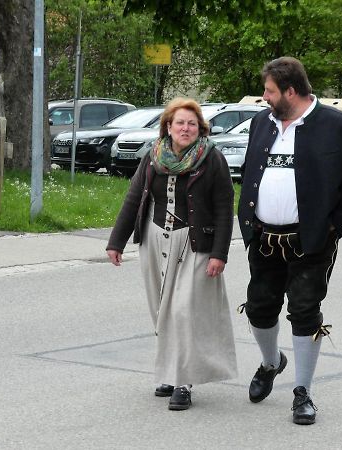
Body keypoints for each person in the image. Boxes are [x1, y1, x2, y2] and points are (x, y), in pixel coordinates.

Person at [238, 57, 342, 424]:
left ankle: (302, 392)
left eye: (269, 91)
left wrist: (334, 225)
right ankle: (271, 363)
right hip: (264, 236)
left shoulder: (339, 125)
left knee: (303, 311)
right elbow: (251, 172)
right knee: (258, 308)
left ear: (291, 91)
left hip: (311, 240)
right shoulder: (260, 123)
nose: (264, 97)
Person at [106, 97, 237, 411]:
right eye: (180, 122)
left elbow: (223, 206)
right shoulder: (153, 156)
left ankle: (184, 382)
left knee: (183, 312)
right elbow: (134, 196)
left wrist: (220, 253)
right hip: (155, 238)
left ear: (200, 128)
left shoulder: (212, 158)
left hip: (194, 242)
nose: (186, 128)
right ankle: (168, 371)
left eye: (192, 123)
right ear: (168, 126)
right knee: (161, 309)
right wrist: (116, 242)